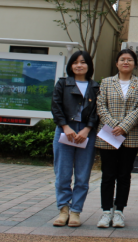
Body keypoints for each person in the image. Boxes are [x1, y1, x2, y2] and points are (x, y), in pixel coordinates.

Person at [95, 49, 138, 229]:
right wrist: (114, 125)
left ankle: (119, 212)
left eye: (129, 60)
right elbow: (100, 105)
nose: (126, 62)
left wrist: (124, 126)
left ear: (135, 64)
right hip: (108, 135)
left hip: (130, 135)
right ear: (116, 63)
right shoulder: (107, 82)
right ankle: (106, 211)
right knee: (108, 175)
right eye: (122, 59)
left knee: (124, 175)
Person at [51, 50, 100, 227]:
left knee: (82, 175)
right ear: (70, 66)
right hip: (65, 130)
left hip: (86, 133)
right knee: (63, 173)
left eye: (83, 62)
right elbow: (56, 106)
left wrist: (87, 129)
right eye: (75, 62)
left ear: (89, 65)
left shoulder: (95, 87)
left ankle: (76, 211)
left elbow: (97, 111)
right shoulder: (62, 84)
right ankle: (63, 210)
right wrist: (65, 127)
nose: (79, 65)